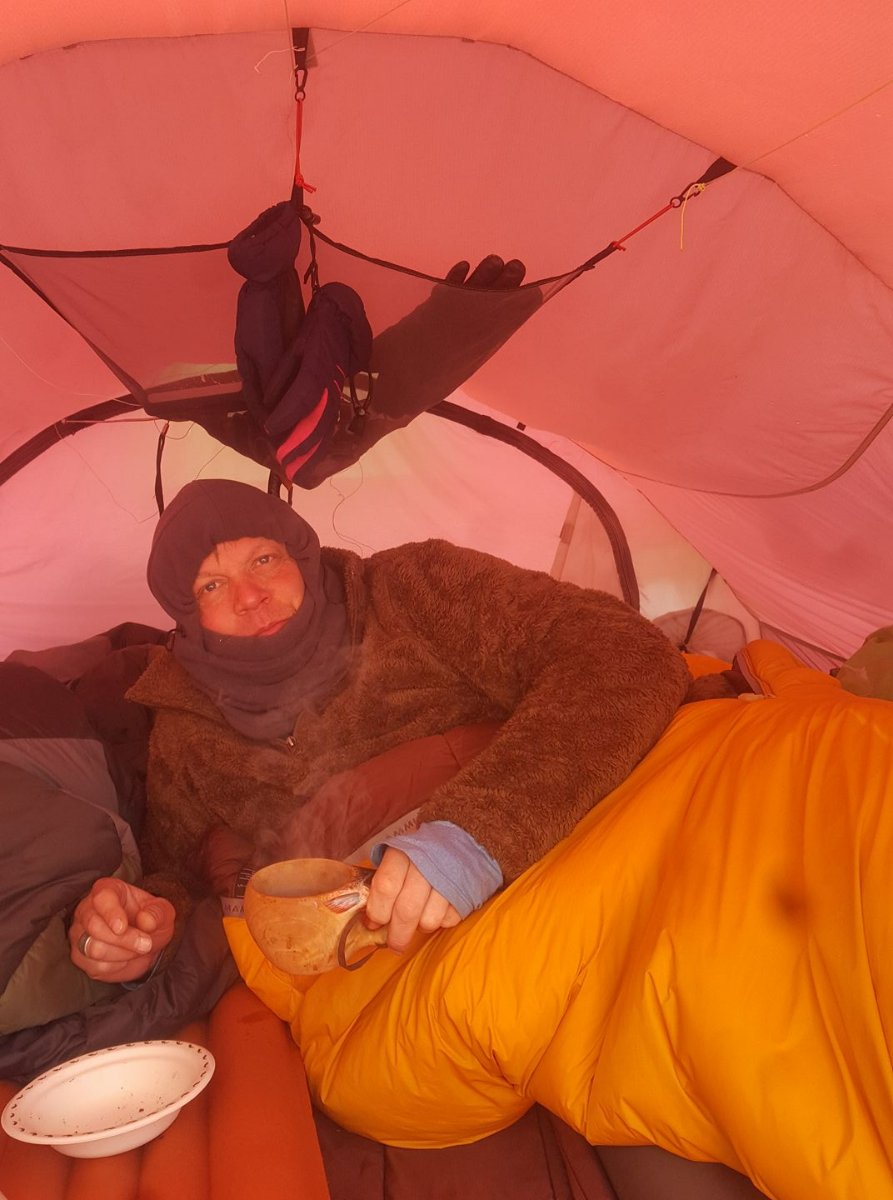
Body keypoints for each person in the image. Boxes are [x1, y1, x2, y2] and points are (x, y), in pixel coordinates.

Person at [81, 476, 690, 974]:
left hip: (563, 870)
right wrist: (138, 926)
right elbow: (175, 871)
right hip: (384, 965)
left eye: (264, 559)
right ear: (186, 614)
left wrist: (474, 836)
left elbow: (623, 651)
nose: (250, 596)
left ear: (300, 552)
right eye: (213, 584)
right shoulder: (185, 726)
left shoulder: (415, 588)